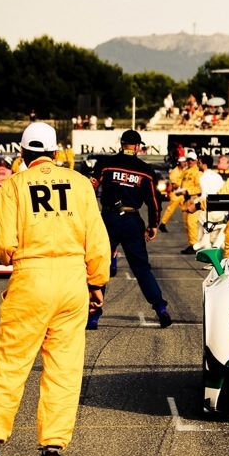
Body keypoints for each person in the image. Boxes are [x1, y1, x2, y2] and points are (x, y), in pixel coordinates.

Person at [0, 122, 109, 456]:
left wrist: (24, 261)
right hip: (73, 280)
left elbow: (2, 246)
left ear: (23, 154)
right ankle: (53, 449)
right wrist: (96, 282)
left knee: (11, 364)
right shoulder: (80, 185)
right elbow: (97, 240)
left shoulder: (13, 185)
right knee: (64, 368)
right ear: (57, 153)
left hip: (32, 277)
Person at [92, 129, 171, 328]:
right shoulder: (145, 170)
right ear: (137, 147)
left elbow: (89, 187)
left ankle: (93, 316)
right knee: (142, 269)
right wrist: (153, 225)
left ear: (121, 144)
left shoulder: (106, 164)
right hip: (132, 220)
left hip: (108, 219)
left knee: (100, 268)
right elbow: (154, 202)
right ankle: (160, 307)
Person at [186, 155, 226, 250]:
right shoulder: (218, 176)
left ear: (203, 164)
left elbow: (205, 196)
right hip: (221, 212)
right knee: (217, 241)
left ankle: (207, 256)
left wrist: (194, 201)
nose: (197, 165)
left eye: (199, 163)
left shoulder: (203, 177)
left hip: (209, 212)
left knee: (205, 239)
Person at [178, 151, 202, 254]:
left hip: (194, 199)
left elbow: (199, 187)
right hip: (186, 200)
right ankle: (191, 243)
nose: (190, 161)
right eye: (188, 159)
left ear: (196, 161)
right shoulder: (185, 171)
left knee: (192, 223)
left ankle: (194, 245)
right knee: (187, 224)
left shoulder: (198, 172)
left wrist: (188, 191)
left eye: (192, 159)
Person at [158, 158, 184, 233]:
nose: (185, 163)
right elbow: (174, 184)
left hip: (182, 194)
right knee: (170, 210)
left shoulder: (184, 171)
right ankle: (162, 224)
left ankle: (191, 225)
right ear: (179, 163)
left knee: (187, 209)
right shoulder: (174, 172)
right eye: (183, 162)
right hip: (175, 194)